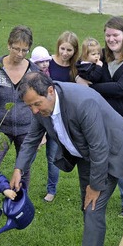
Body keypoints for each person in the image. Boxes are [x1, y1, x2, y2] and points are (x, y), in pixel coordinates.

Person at [11, 72, 123, 246]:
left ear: (50, 91)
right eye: (30, 106)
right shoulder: (42, 105)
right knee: (85, 203)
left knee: (93, 208)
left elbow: (100, 147)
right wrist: (18, 168)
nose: (34, 111)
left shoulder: (82, 103)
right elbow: (32, 138)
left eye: (37, 104)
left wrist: (96, 186)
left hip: (111, 153)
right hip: (87, 154)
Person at [81, 16, 123, 220]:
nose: (111, 39)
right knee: (103, 161)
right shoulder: (104, 57)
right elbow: (88, 72)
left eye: (116, 35)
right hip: (105, 122)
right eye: (108, 35)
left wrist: (92, 89)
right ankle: (100, 195)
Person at [0, 25, 38, 188]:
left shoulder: (33, 71)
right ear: (8, 45)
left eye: (24, 50)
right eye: (16, 49)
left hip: (27, 129)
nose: (20, 54)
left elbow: (40, 102)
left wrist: (42, 133)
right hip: (0, 129)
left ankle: (20, 206)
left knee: (24, 170)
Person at [43, 31, 80, 203]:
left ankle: (85, 185)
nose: (65, 53)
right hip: (49, 115)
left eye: (69, 50)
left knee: (73, 153)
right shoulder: (48, 63)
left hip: (67, 117)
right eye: (62, 49)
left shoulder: (76, 68)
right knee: (51, 155)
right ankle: (51, 189)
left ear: (75, 51)